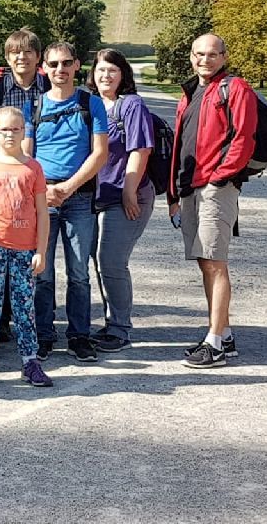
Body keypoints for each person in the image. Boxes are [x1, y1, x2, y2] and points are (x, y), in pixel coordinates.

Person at [168, 33, 256, 368]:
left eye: (212, 54)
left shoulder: (235, 88)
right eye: (199, 54)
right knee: (206, 262)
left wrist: (220, 177)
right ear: (191, 56)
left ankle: (215, 343)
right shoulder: (191, 92)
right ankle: (224, 334)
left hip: (215, 188)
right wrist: (173, 193)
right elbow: (181, 144)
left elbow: (244, 137)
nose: (204, 60)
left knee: (215, 262)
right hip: (191, 188)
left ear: (224, 57)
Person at [24, 42, 109, 363]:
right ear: (44, 68)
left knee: (79, 272)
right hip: (42, 197)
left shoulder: (91, 104)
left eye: (66, 63)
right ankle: (43, 335)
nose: (60, 69)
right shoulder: (34, 106)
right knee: (41, 272)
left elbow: (100, 153)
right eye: (54, 64)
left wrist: (68, 188)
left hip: (79, 198)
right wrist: (43, 190)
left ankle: (79, 336)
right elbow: (26, 155)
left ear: (76, 66)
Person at [0, 107, 52, 388]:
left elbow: (42, 212)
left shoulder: (33, 168)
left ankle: (30, 361)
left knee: (24, 307)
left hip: (25, 249)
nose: (10, 134)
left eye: (16, 129)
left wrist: (41, 251)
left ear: (24, 132)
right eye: (4, 129)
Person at [87, 49, 155, 353]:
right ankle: (111, 322)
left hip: (126, 195)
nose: (106, 75)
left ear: (123, 74)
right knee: (99, 263)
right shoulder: (89, 104)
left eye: (112, 70)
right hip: (95, 197)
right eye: (101, 70)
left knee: (111, 261)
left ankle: (120, 329)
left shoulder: (131, 105)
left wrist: (129, 191)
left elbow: (140, 150)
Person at [0, 28, 50, 343]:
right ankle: (1, 321)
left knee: (37, 257)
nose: (22, 57)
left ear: (38, 57)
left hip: (41, 178)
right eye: (15, 52)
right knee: (2, 249)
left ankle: (40, 324)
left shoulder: (50, 87)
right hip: (7, 179)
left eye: (28, 51)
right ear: (7, 57)